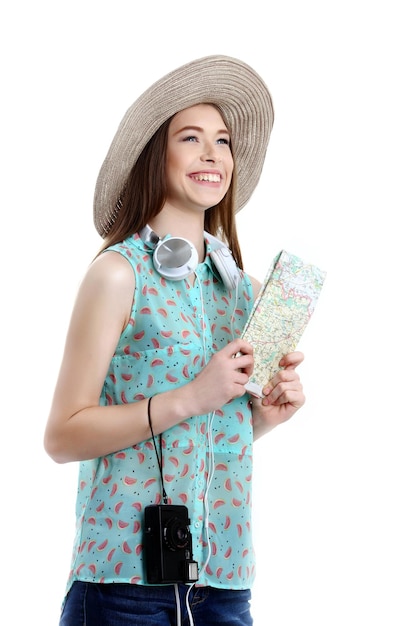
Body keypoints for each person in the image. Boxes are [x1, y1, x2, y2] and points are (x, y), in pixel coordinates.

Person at [44, 55, 306, 626]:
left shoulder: (245, 294)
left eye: (224, 141)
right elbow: (62, 437)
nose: (213, 154)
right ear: (155, 156)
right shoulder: (118, 275)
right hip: (123, 587)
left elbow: (208, 434)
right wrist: (193, 394)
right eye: (192, 138)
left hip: (225, 586)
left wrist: (264, 418)